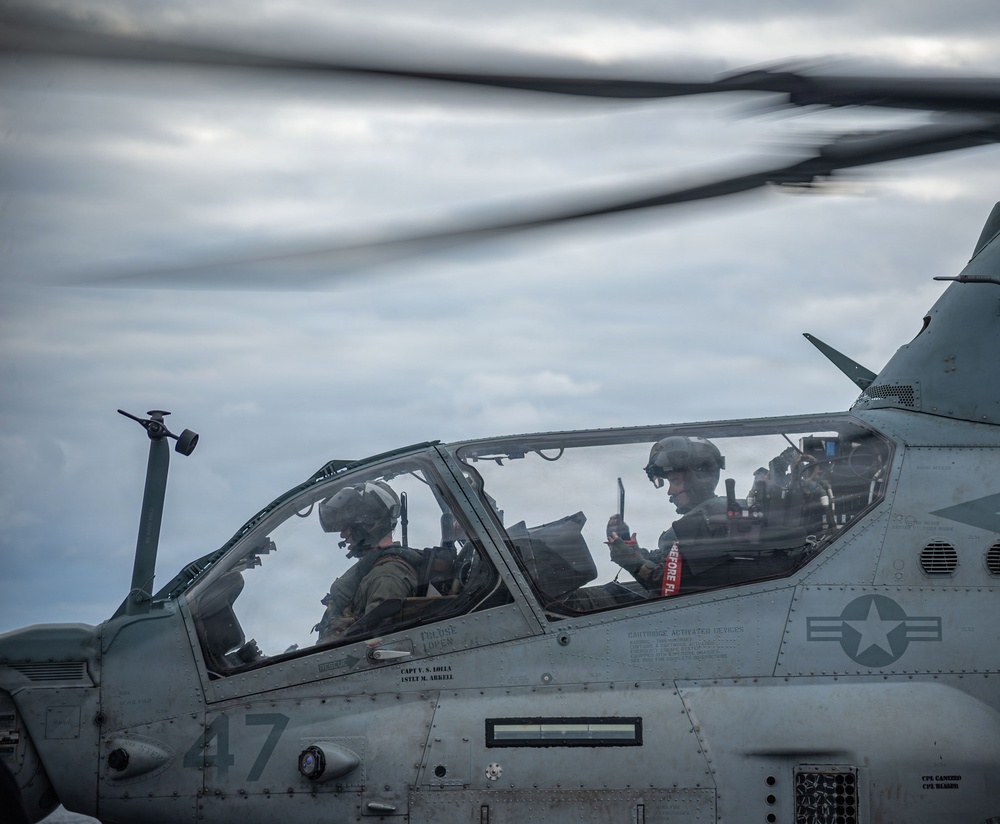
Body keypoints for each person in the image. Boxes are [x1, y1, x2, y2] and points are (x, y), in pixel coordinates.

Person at [607, 436, 727, 595]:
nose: (670, 491)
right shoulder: (716, 514)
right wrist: (630, 548)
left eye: (675, 482)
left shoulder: (701, 526)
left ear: (697, 480)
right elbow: (667, 562)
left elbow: (663, 583)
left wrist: (629, 559)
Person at [313, 481, 421, 642]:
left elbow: (378, 646)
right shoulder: (373, 572)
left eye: (347, 527)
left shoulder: (386, 577)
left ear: (367, 524)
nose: (342, 535)